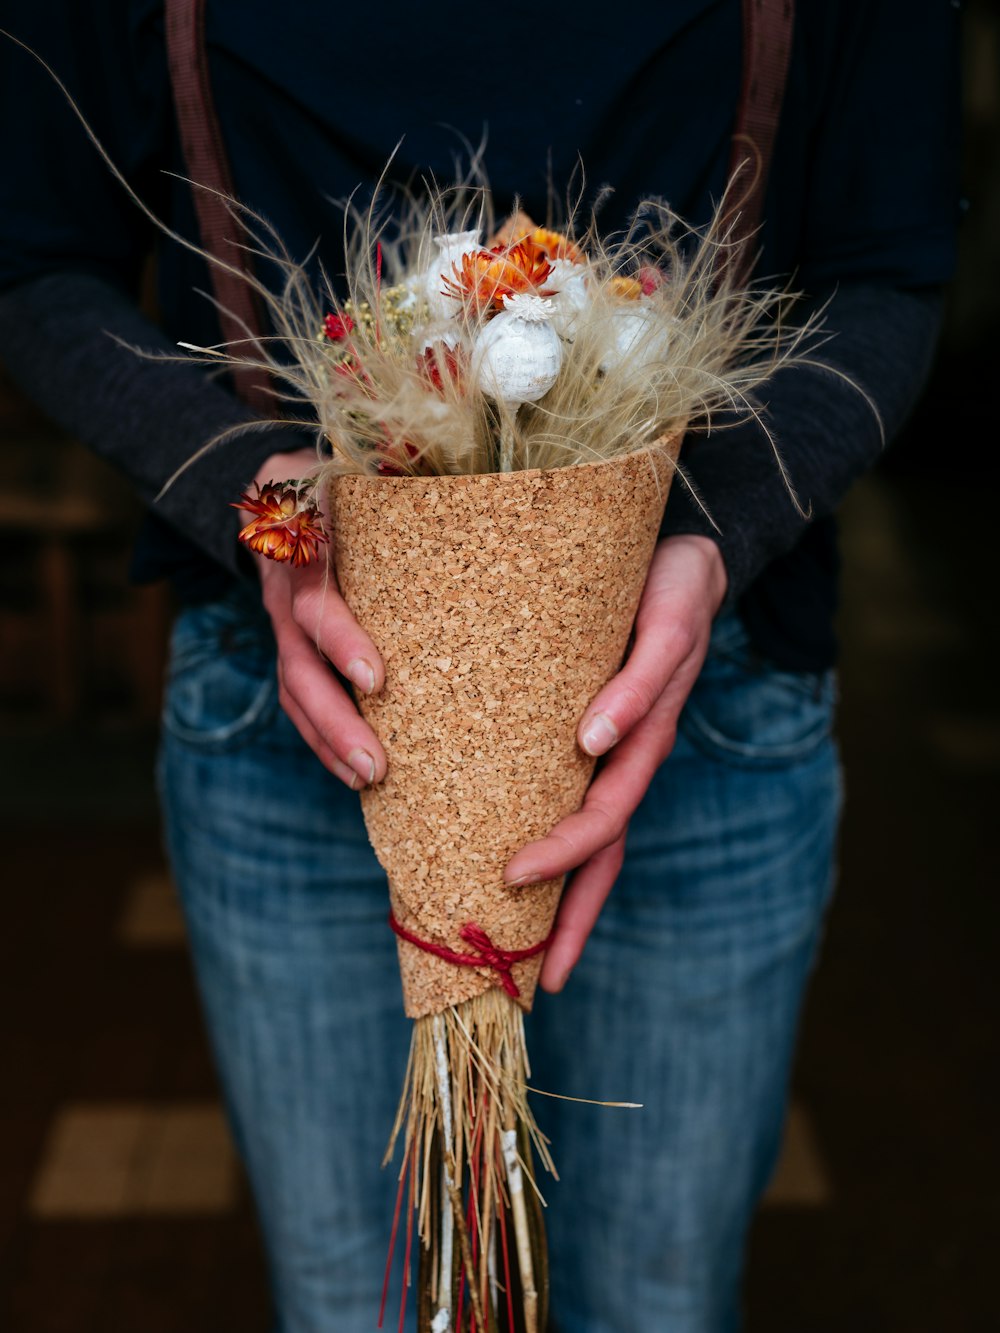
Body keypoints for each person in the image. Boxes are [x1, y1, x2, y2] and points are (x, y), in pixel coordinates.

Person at [0, 4, 959, 1330]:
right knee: (359, 1308)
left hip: (708, 712)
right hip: (304, 727)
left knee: (661, 1307)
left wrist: (708, 534)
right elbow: (34, 261)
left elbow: (888, 264)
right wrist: (260, 499)